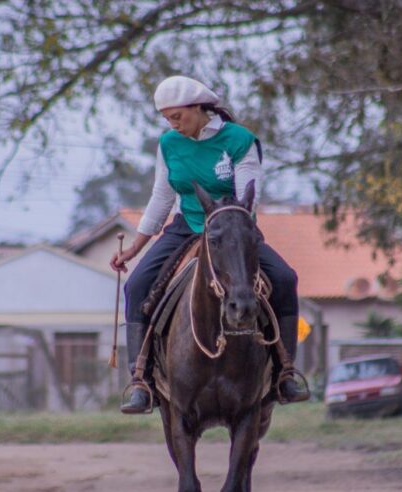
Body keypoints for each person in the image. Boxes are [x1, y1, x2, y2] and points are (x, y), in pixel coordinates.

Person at [110, 75, 310, 414]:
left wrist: (230, 232)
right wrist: (134, 248)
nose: (173, 125)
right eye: (167, 119)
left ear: (199, 108)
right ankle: (141, 379)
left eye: (177, 117)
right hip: (186, 226)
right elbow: (162, 196)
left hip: (231, 230)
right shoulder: (169, 144)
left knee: (285, 279)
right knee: (138, 284)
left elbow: (248, 199)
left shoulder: (239, 140)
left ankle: (284, 372)